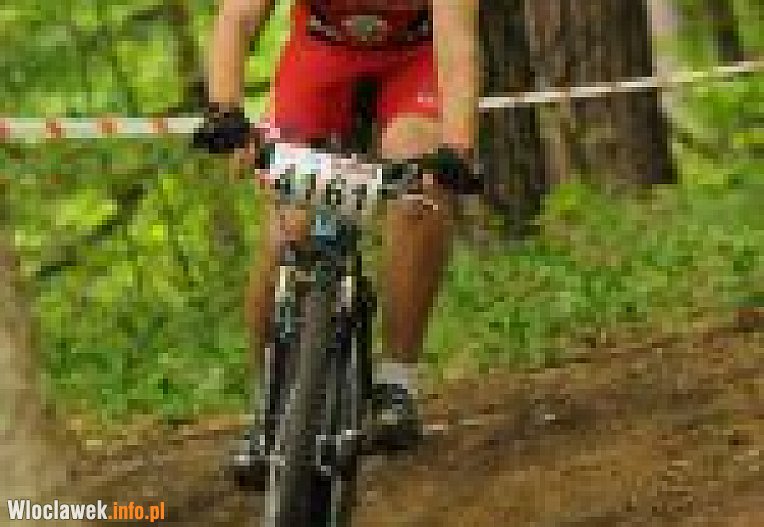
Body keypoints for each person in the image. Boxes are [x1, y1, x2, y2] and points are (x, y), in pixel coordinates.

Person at [193, 0, 479, 486]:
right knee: (288, 228)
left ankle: (396, 382)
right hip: (320, 59)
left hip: (415, 62)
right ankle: (267, 405)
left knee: (420, 191)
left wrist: (458, 147)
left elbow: (457, 43)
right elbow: (236, 18)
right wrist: (226, 110)